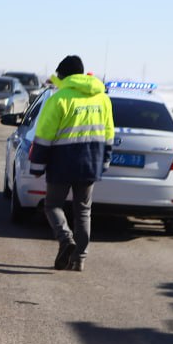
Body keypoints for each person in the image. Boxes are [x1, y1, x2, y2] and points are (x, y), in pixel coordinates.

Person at [27, 54, 114, 273]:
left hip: (62, 162)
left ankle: (66, 239)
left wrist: (37, 165)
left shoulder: (60, 98)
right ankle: (79, 260)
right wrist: (105, 160)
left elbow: (44, 134)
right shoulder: (102, 98)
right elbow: (109, 133)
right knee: (83, 210)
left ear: (63, 75)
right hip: (90, 161)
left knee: (52, 205)